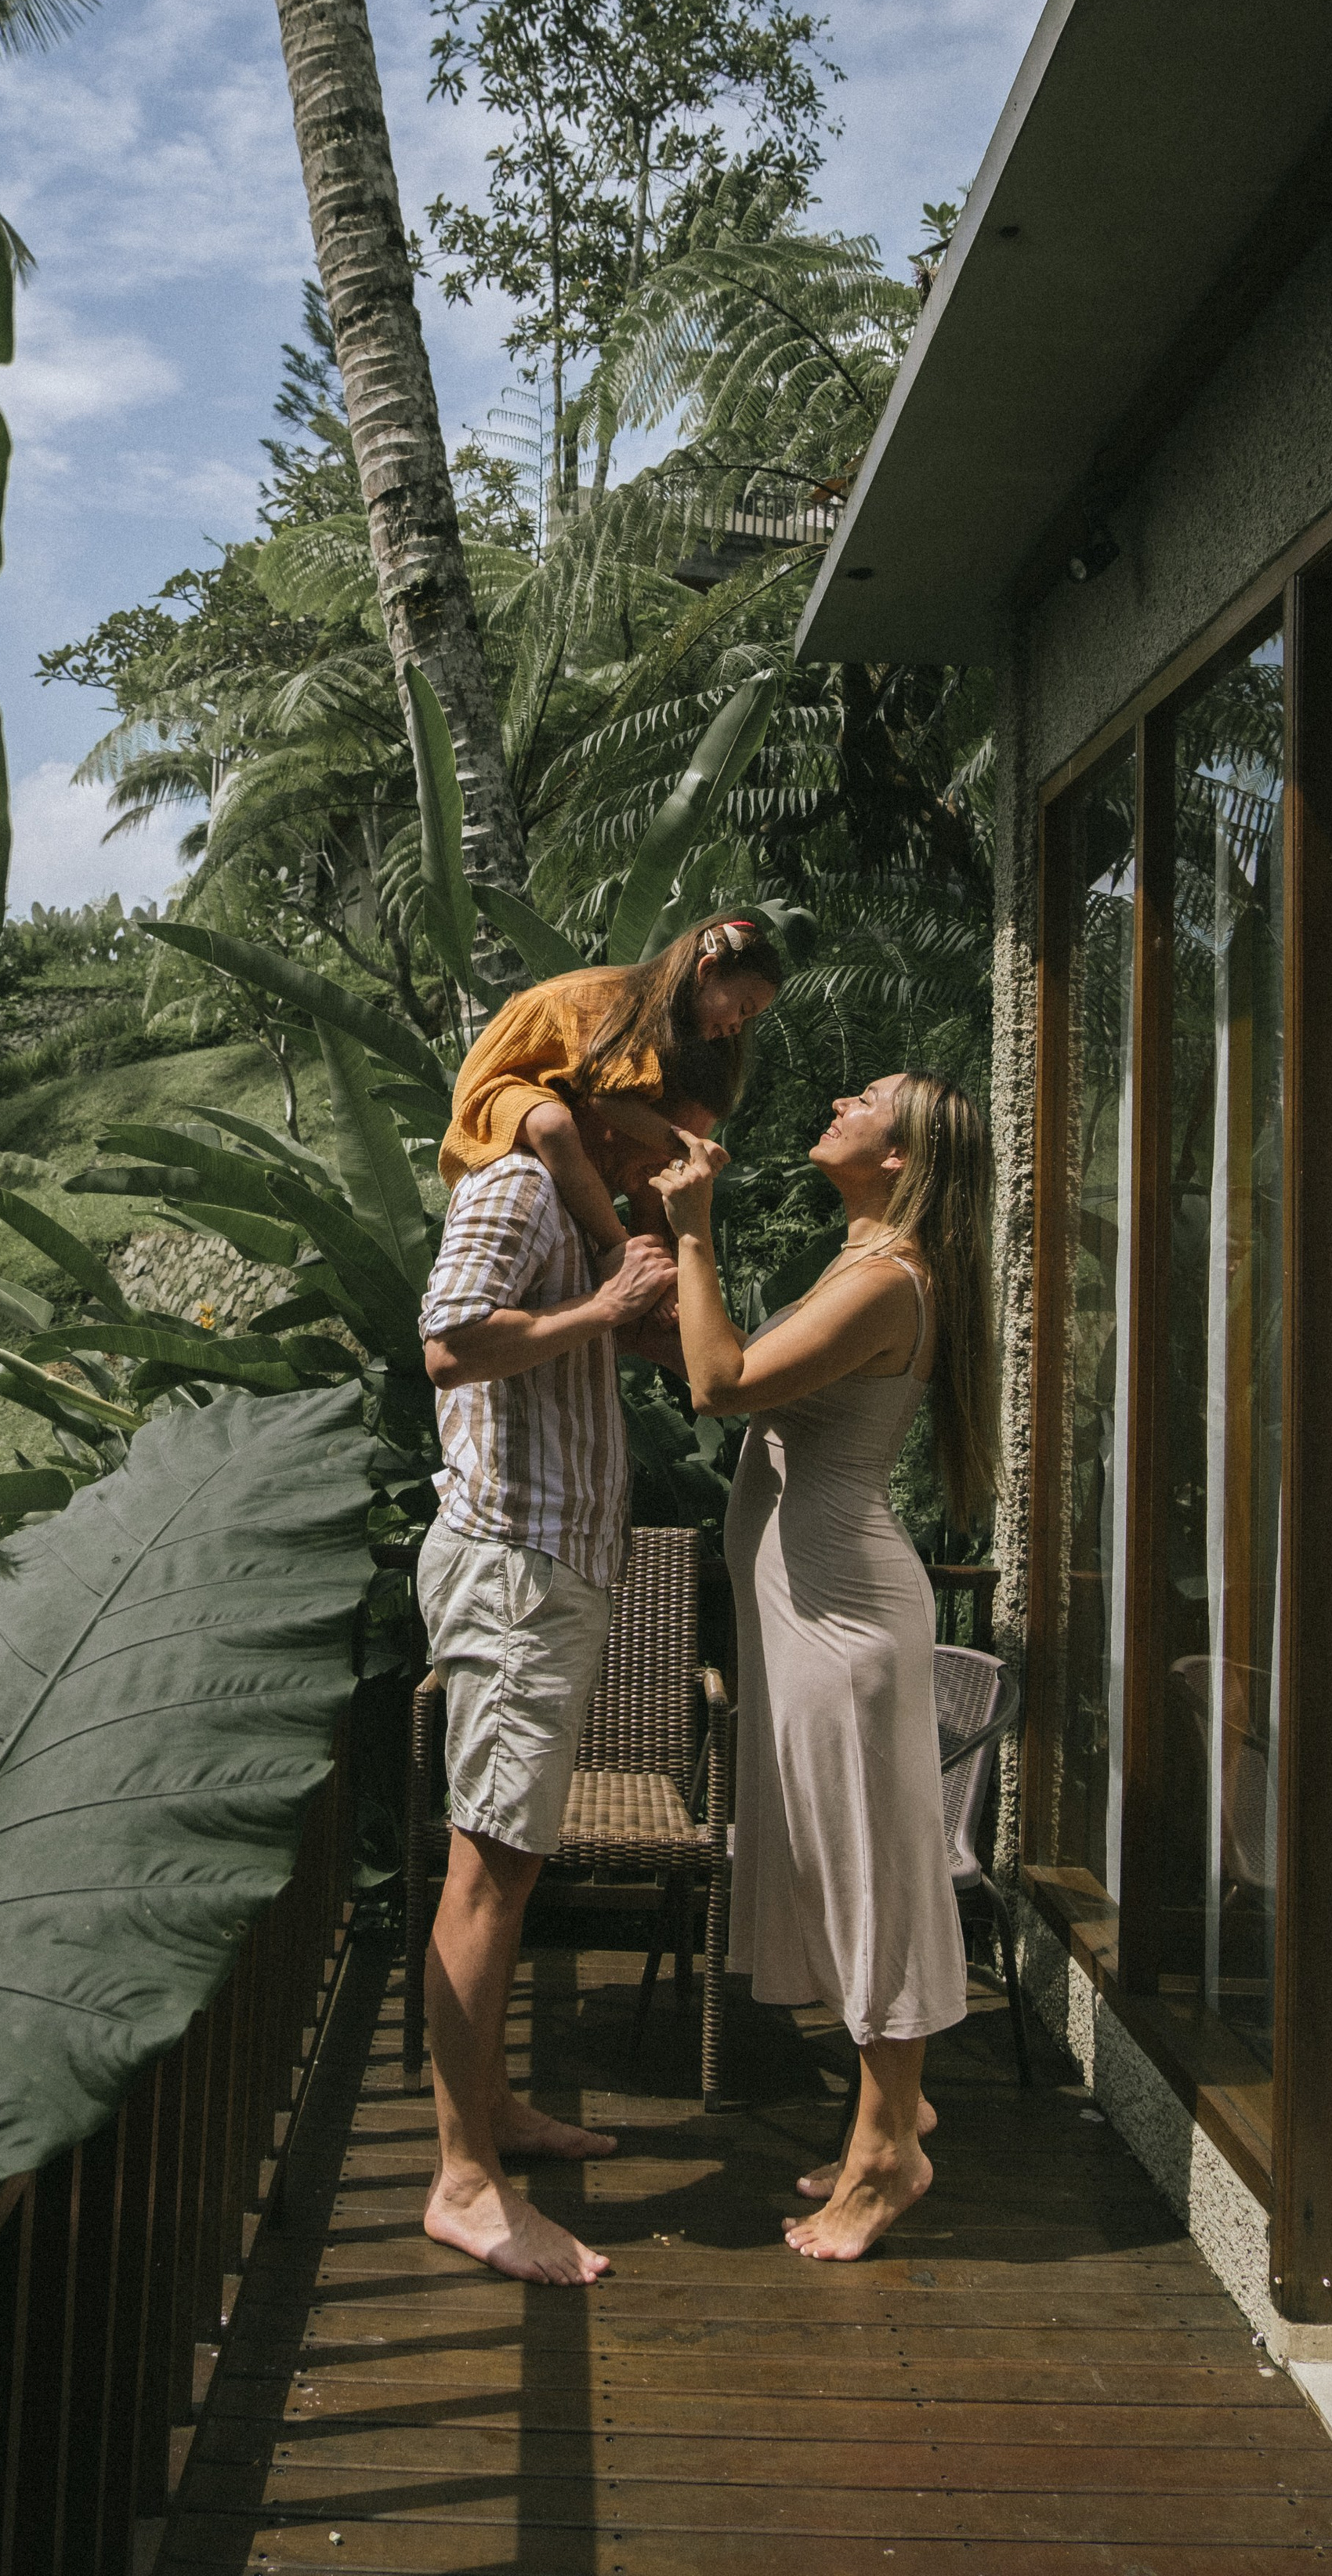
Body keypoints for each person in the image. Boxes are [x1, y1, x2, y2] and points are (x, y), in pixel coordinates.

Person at [654, 1072, 999, 2261]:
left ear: (899, 1158)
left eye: (868, 1100)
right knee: (842, 1861)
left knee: (872, 1874)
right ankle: (886, 2109)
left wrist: (694, 1231)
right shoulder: (868, 1262)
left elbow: (722, 1383)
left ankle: (889, 2153)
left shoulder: (887, 1279)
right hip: (816, 1609)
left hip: (844, 1620)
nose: (842, 1099)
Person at [415, 1094, 697, 2284]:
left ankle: (497, 2114)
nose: (662, 1155)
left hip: (554, 1571)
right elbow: (447, 1341)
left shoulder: (578, 1214)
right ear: (604, 1105)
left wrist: (635, 1284)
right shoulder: (517, 1188)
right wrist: (599, 1306)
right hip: (514, 1568)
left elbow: (643, 1339)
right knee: (490, 1866)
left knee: (511, 1860)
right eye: (662, 1129)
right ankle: (464, 2184)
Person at [440, 915, 782, 1269]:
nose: (738, 1026)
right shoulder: (618, 999)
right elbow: (609, 1098)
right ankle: (620, 1247)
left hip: (547, 1091)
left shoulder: (657, 1016)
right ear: (707, 970)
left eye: (748, 1020)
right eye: (743, 1009)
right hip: (496, 1093)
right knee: (552, 1126)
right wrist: (684, 1143)